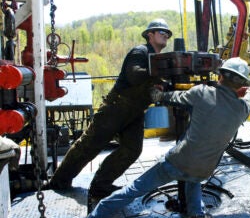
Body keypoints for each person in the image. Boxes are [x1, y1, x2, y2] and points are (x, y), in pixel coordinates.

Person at [85, 57, 250, 218]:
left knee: (134, 189)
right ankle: (197, 217)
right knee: (192, 178)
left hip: (177, 162)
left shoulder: (201, 92)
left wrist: (158, 95)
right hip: (205, 169)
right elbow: (249, 100)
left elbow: (171, 98)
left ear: (219, 76)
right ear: (242, 84)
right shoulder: (243, 109)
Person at [48, 18, 172, 198]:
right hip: (116, 108)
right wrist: (160, 72)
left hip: (135, 112)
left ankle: (101, 184)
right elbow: (134, 75)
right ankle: (59, 182)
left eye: (167, 33)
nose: (166, 35)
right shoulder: (141, 52)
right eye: (161, 32)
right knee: (89, 146)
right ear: (149, 35)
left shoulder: (157, 60)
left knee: (132, 149)